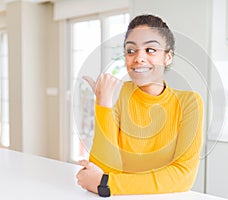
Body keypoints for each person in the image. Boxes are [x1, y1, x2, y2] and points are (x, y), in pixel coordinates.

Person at [76, 14, 204, 196]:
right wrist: (103, 103)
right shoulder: (116, 94)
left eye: (150, 50)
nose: (138, 58)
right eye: (131, 50)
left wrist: (106, 183)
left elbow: (183, 176)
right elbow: (103, 168)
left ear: (168, 57)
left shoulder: (189, 103)